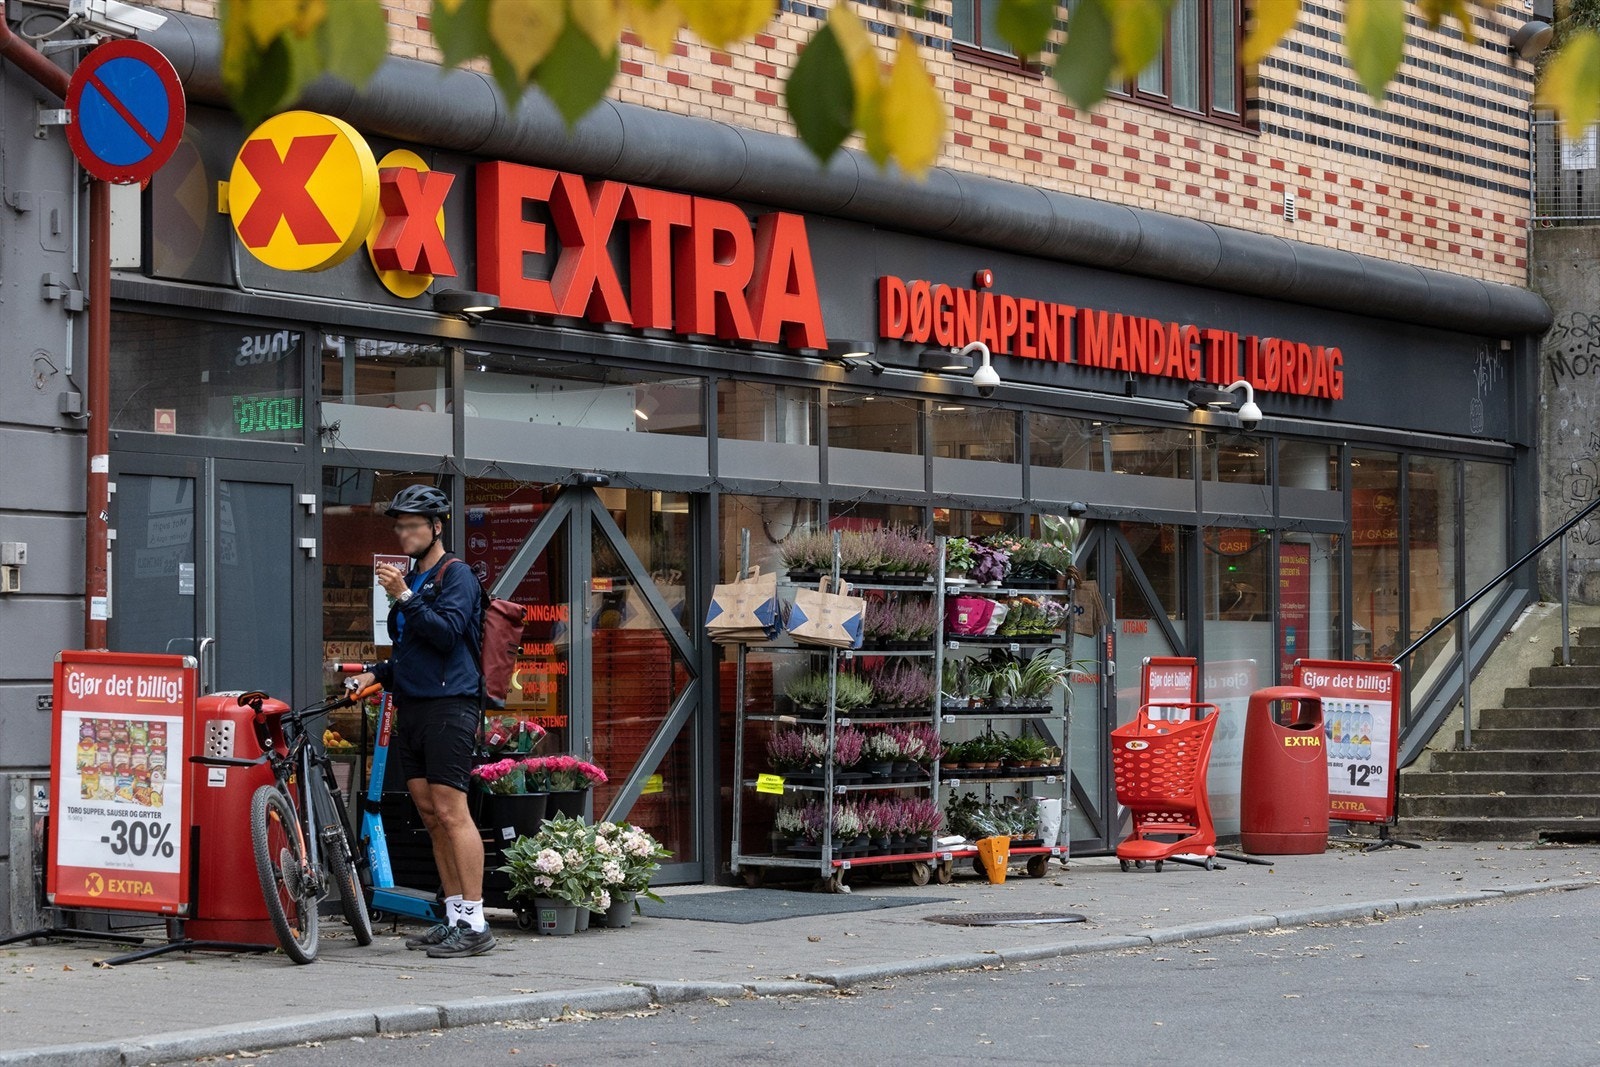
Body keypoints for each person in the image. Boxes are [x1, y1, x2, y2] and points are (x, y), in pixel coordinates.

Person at [347, 484, 494, 958]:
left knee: (453, 813)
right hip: (411, 705)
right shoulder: (413, 578)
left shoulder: (459, 577)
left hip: (450, 707)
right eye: (399, 525)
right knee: (431, 815)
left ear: (436, 528)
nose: (403, 532)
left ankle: (475, 923)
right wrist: (375, 673)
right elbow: (415, 652)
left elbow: (449, 636)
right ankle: (452, 916)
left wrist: (405, 594)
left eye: (412, 525)